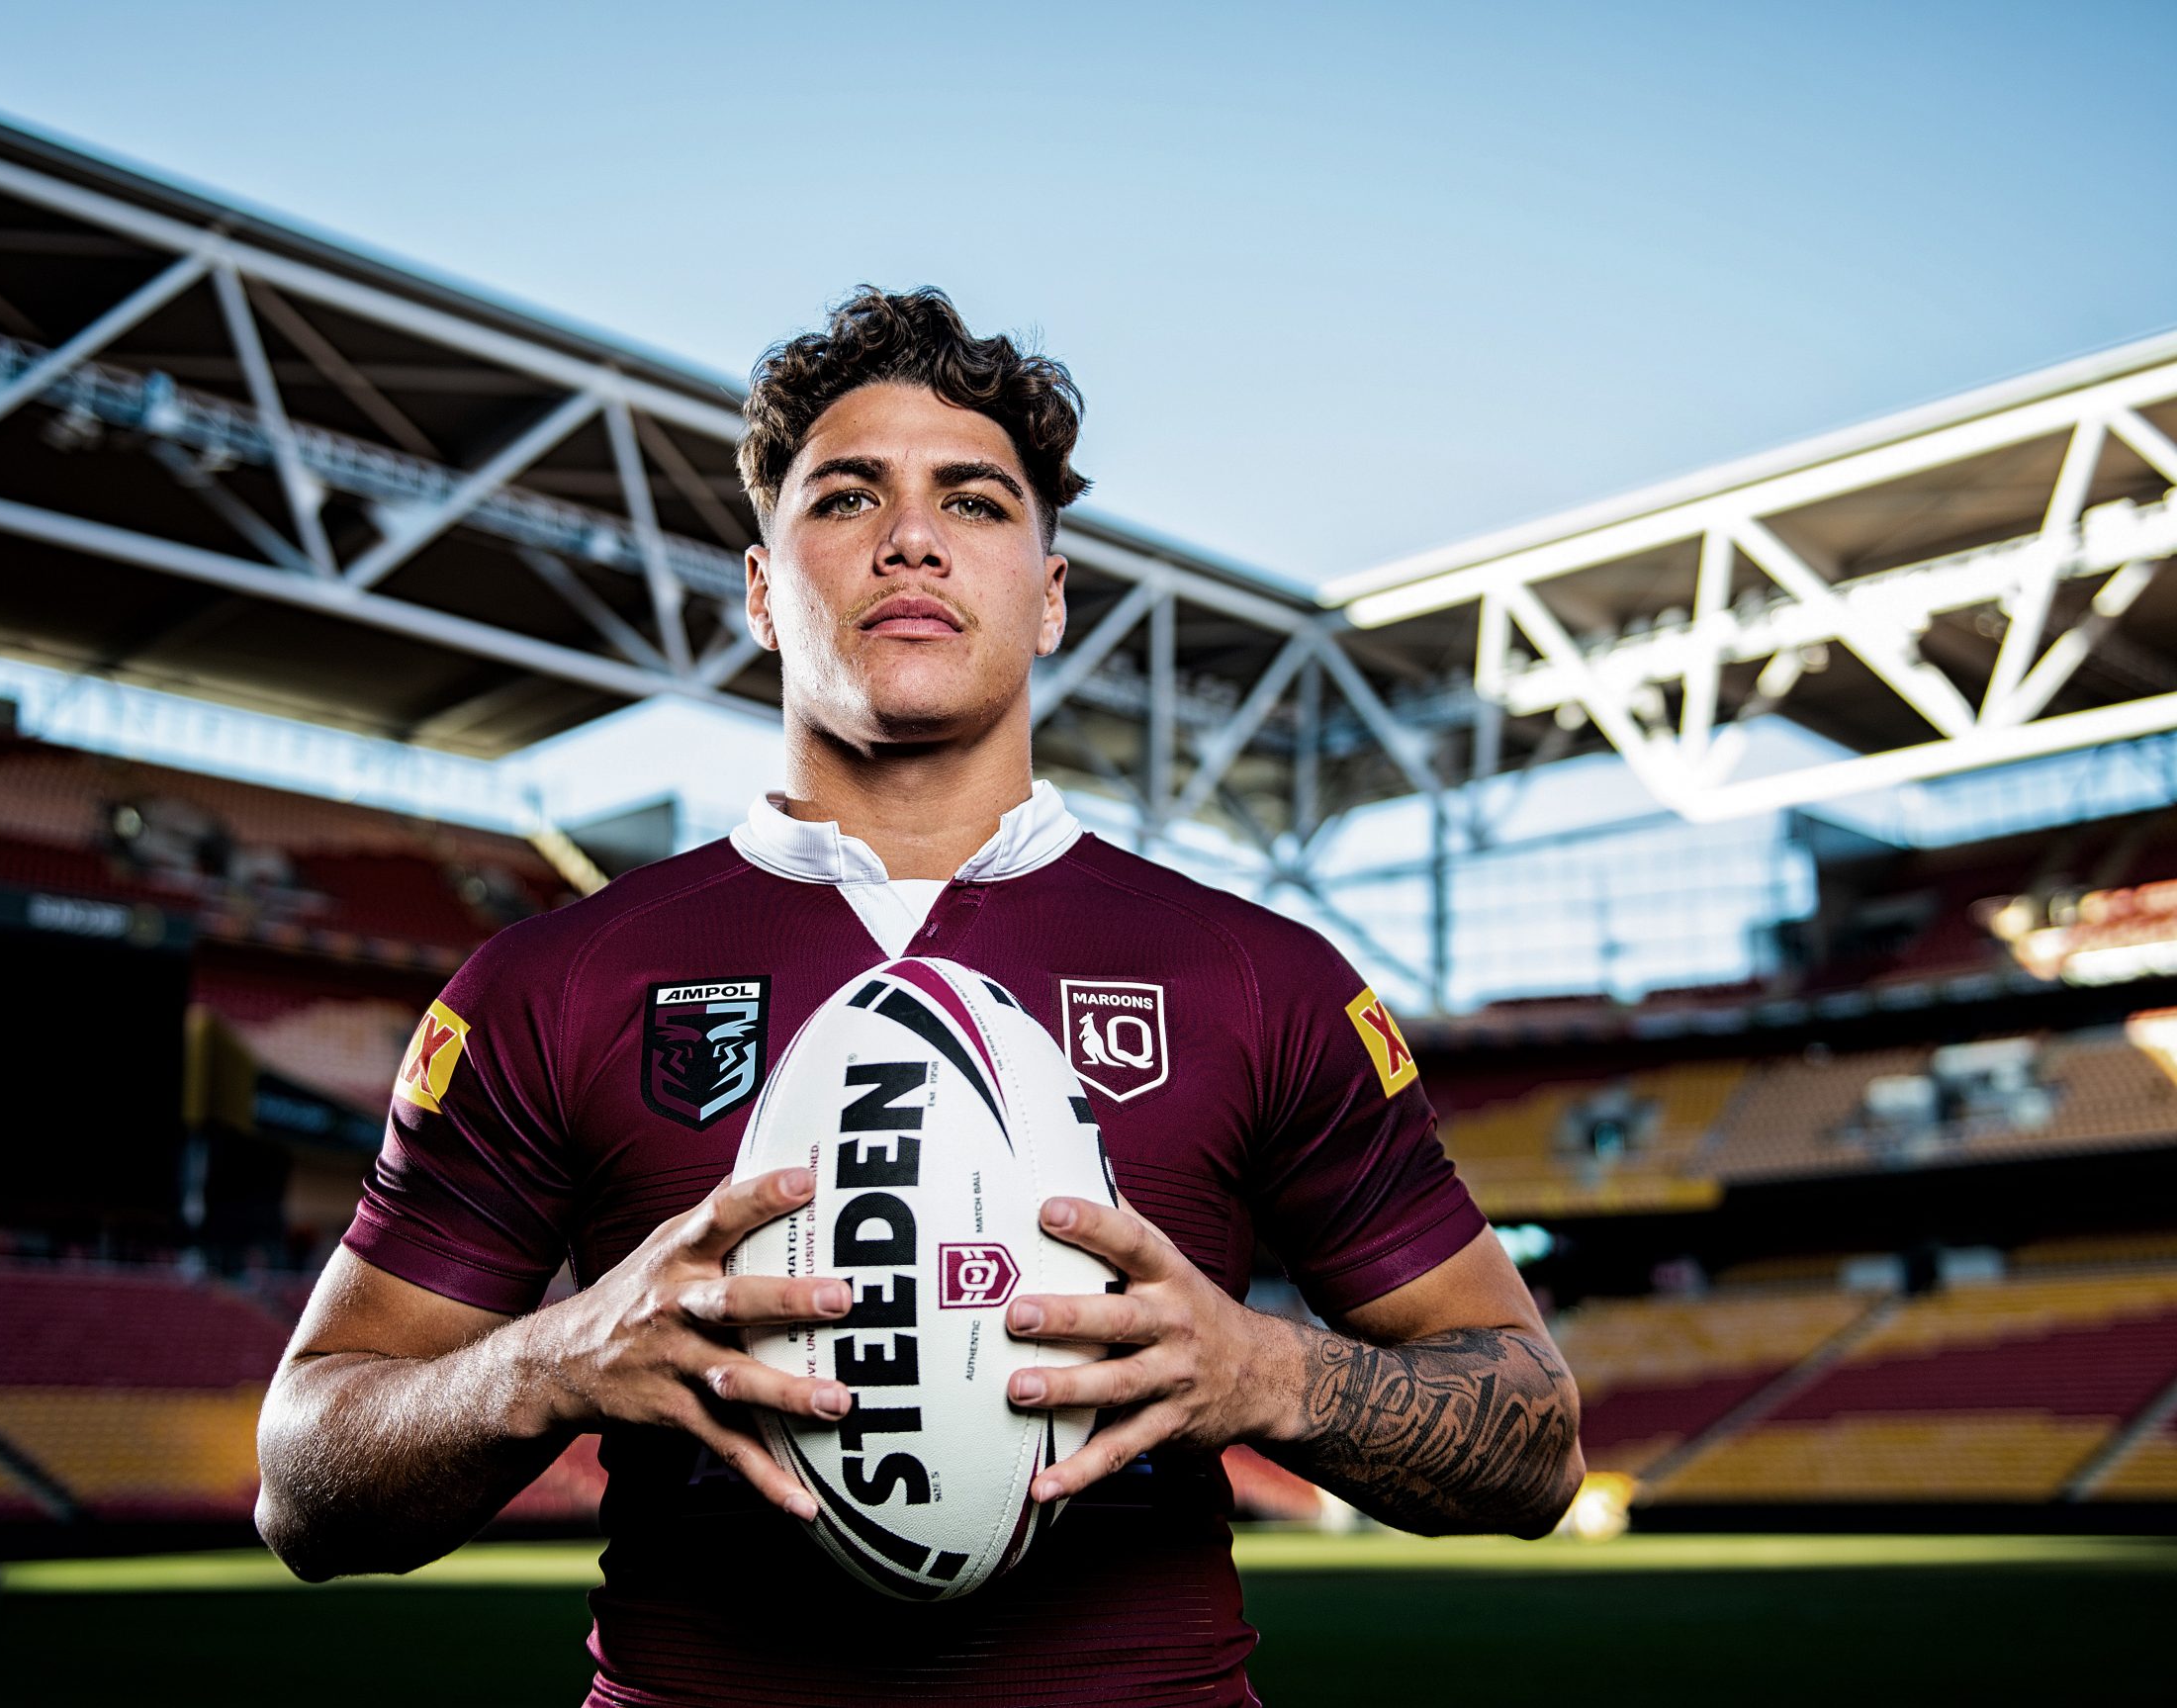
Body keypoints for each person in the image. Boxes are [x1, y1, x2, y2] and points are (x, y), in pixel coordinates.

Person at [255, 287, 1584, 1705]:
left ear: (1053, 594)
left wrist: (1267, 1376)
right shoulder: (555, 982)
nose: (912, 537)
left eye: (975, 500)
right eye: (845, 496)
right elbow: (305, 1487)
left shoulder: (1260, 980)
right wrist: (550, 1363)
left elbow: (1534, 1448)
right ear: (762, 590)